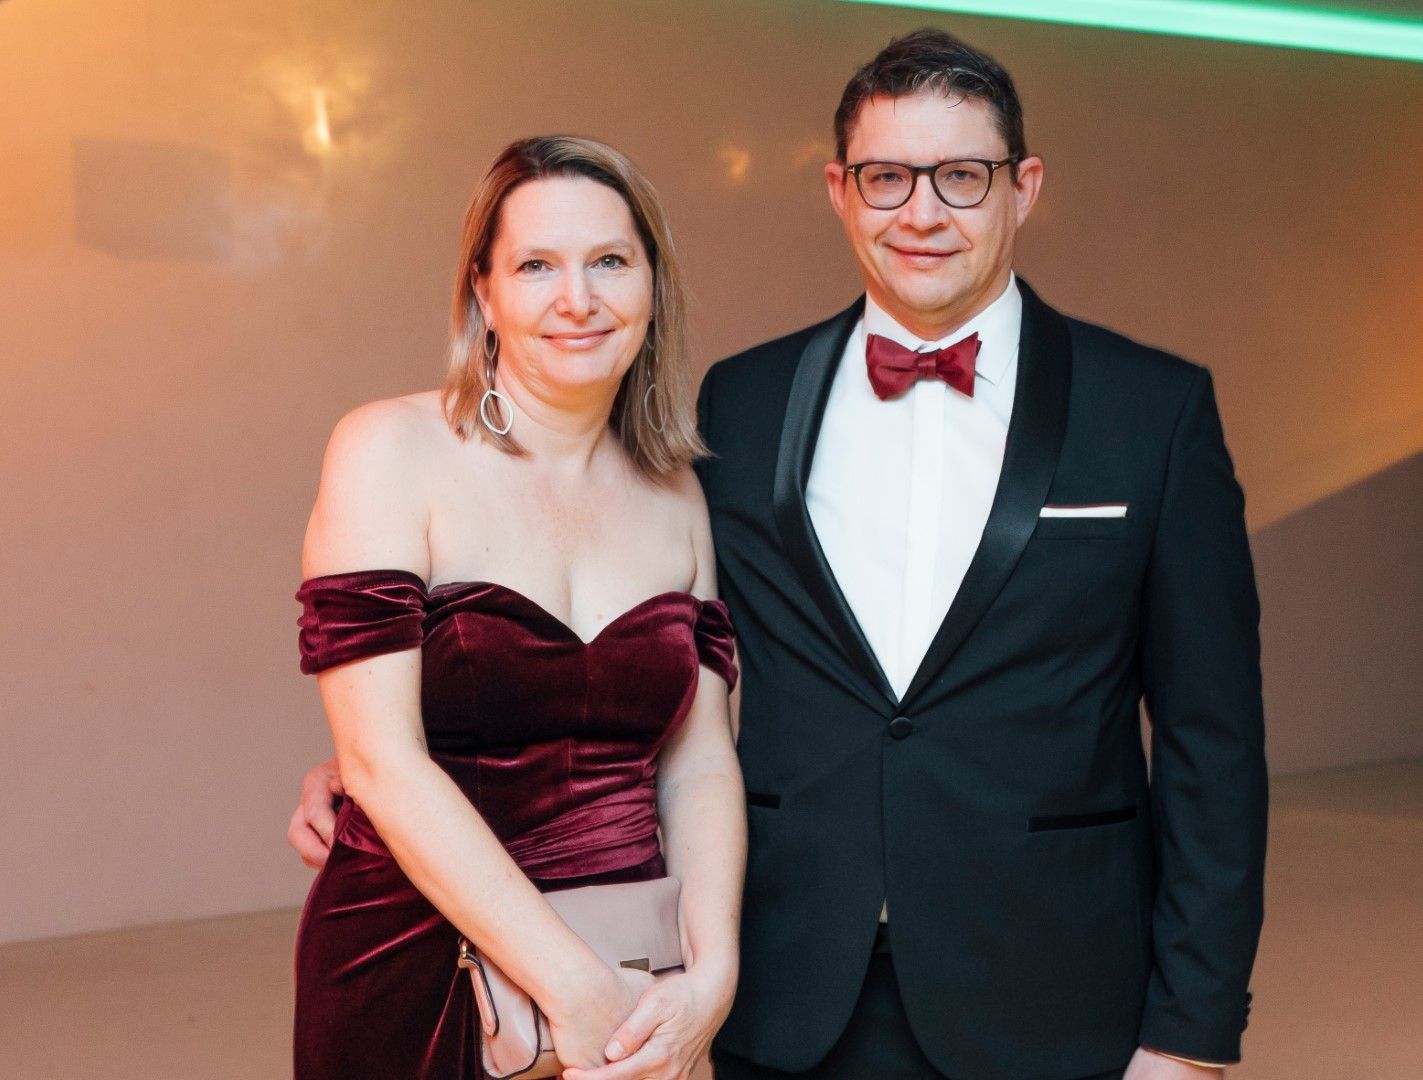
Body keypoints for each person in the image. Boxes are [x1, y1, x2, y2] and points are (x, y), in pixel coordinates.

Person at [294, 29, 1266, 1080]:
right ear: (840, 191)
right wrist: (379, 752)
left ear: (1023, 188)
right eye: (888, 177)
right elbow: (568, 672)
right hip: (791, 987)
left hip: (1048, 980)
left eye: (962, 176)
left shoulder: (1153, 412)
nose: (922, 213)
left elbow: (1214, 745)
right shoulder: (743, 411)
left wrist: (1190, 1035)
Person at [290, 135, 744, 1080]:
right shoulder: (389, 450)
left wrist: (713, 971)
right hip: (416, 962)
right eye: (537, 266)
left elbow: (700, 762)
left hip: (631, 966)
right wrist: (572, 989)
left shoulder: (677, 493)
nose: (577, 299)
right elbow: (380, 762)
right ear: (484, 293)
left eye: (609, 261)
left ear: (652, 286)